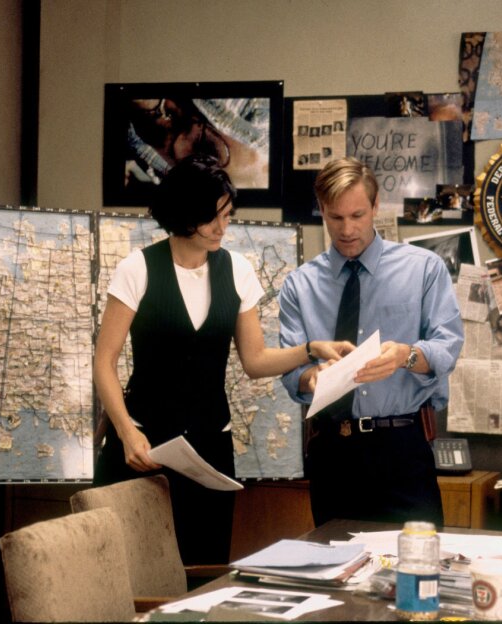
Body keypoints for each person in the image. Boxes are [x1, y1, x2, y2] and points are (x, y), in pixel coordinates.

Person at [93, 155, 352, 564]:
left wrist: (310, 349)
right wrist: (126, 432)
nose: (222, 227)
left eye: (226, 215)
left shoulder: (237, 270)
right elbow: (104, 362)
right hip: (142, 447)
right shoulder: (137, 268)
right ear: (184, 214)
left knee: (204, 567)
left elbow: (255, 360)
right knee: (130, 572)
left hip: (209, 451)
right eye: (211, 217)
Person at [279, 157, 464, 528]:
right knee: (334, 559)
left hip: (402, 449)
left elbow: (447, 347)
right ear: (321, 211)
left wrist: (405, 355)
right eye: (336, 217)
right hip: (332, 453)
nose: (347, 230)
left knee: (415, 559)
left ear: (376, 206)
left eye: (358, 215)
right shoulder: (299, 285)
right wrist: (312, 378)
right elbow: (292, 372)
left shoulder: (423, 268)